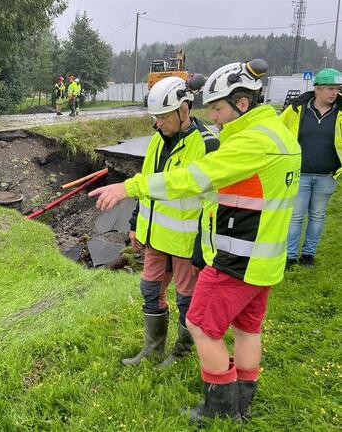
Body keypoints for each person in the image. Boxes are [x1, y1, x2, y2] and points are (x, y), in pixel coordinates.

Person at [89, 59, 301, 423]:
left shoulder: (244, 144)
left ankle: (219, 410)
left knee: (201, 324)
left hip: (236, 257)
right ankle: (241, 404)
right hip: (263, 257)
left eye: (218, 108)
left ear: (242, 103)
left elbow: (191, 181)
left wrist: (128, 187)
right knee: (247, 328)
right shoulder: (279, 135)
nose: (215, 117)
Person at [123, 75, 218, 370]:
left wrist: (204, 247)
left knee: (187, 301)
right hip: (155, 239)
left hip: (186, 243)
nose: (158, 124)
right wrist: (136, 221)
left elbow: (214, 203)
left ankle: (179, 354)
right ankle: (152, 349)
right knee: (150, 291)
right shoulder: (156, 140)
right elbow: (148, 184)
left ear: (183, 111)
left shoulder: (207, 145)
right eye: (155, 118)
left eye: (163, 118)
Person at [280, 68, 342, 268]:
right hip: (300, 174)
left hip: (327, 175)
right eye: (330, 88)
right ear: (317, 89)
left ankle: (308, 255)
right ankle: (289, 256)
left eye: (337, 89)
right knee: (296, 216)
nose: (335, 93)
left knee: (317, 216)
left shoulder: (340, 112)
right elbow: (278, 131)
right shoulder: (296, 109)